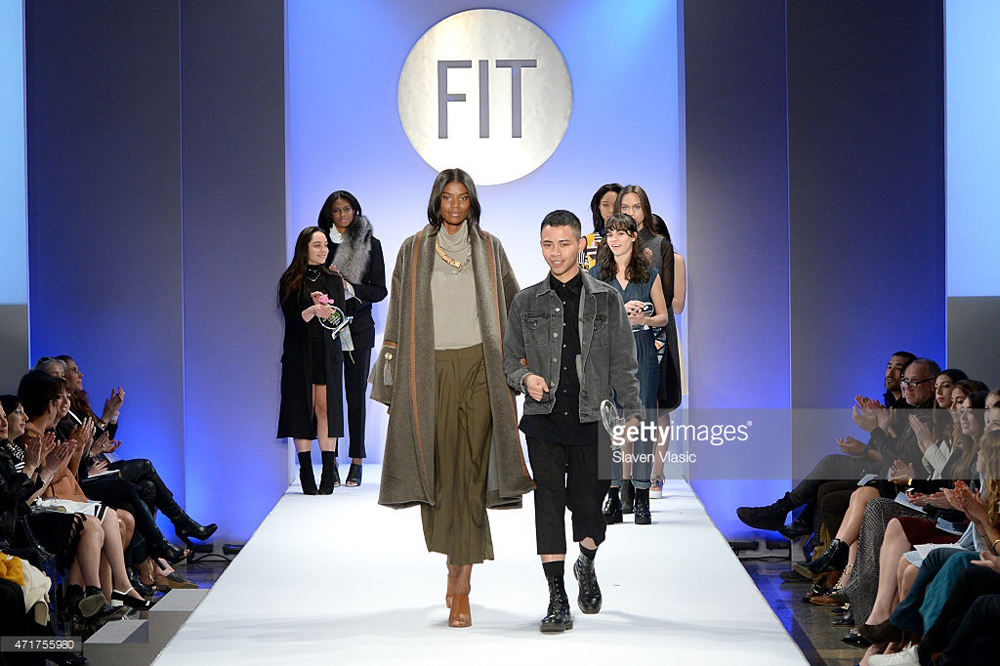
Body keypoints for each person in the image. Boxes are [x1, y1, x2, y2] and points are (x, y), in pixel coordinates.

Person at [369, 168, 533, 629]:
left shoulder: (490, 247)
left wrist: (522, 363)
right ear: (436, 202)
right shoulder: (413, 248)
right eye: (448, 197)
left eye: (463, 198)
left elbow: (513, 304)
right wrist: (392, 383)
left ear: (472, 202)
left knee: (473, 468)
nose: (455, 205)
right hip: (430, 371)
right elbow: (397, 317)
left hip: (482, 366)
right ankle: (452, 561)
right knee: (438, 469)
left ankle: (463, 585)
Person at [503, 209, 644, 633]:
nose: (556, 252)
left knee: (589, 508)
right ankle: (556, 597)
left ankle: (586, 561)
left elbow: (624, 363)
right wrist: (525, 379)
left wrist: (633, 413)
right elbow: (509, 359)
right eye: (548, 244)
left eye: (564, 244)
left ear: (581, 245)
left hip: (593, 419)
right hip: (544, 420)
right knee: (547, 504)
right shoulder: (525, 301)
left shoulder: (606, 299)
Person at [588, 213, 667, 524]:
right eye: (610, 234)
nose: (615, 239)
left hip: (642, 348)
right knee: (610, 422)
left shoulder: (649, 273)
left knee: (643, 422)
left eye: (621, 233)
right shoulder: (597, 274)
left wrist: (644, 318)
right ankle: (614, 495)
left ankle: (642, 495)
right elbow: (589, 319)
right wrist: (620, 312)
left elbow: (663, 317)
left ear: (634, 236)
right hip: (608, 353)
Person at [316, 190, 387, 487]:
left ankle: (357, 460)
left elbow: (380, 290)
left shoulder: (371, 244)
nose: (343, 215)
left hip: (359, 328)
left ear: (355, 211)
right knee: (329, 397)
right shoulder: (320, 243)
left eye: (347, 209)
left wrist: (349, 286)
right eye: (337, 210)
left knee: (355, 396)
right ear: (329, 214)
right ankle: (330, 461)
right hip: (327, 328)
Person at [277, 226, 347, 495]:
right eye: (317, 245)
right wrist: (312, 310)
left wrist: (327, 310)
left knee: (325, 409)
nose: (323, 250)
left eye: (326, 245)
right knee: (301, 409)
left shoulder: (333, 279)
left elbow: (339, 319)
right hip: (299, 353)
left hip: (326, 353)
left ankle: (329, 472)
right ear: (304, 247)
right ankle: (306, 473)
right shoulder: (291, 279)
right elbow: (292, 320)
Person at [579, 183, 621, 271]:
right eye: (605, 205)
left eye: (616, 205)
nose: (611, 210)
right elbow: (580, 275)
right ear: (598, 207)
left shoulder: (634, 240)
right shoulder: (587, 242)